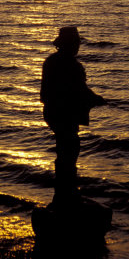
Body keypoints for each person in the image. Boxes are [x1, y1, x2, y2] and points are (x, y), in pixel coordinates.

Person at [40, 26, 106, 204]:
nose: (78, 47)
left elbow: (48, 93)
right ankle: (66, 192)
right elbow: (80, 90)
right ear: (70, 45)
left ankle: (63, 191)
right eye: (76, 44)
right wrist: (96, 99)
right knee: (70, 150)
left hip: (52, 113)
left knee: (65, 150)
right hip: (64, 115)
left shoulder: (50, 61)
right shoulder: (72, 66)